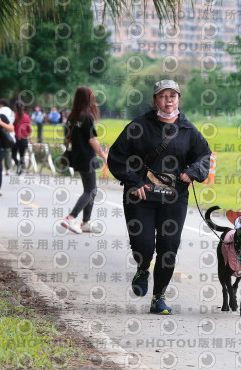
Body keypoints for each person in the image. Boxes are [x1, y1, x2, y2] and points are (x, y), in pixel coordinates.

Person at [108, 79, 211, 315]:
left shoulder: (188, 130)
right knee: (143, 245)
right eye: (163, 96)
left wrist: (193, 172)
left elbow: (204, 156)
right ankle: (143, 267)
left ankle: (158, 298)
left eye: (172, 96)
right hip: (141, 196)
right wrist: (134, 182)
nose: (168, 100)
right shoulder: (139, 126)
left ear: (179, 99)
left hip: (174, 198)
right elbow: (116, 155)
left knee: (169, 247)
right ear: (155, 100)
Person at [60, 86, 107, 234]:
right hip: (87, 157)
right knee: (90, 190)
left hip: (77, 157)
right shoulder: (87, 117)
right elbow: (92, 140)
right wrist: (104, 155)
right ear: (88, 98)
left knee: (91, 190)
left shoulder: (71, 117)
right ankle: (71, 217)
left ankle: (86, 222)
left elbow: (67, 138)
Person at [12, 101, 32, 175]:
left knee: (14, 155)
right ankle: (20, 167)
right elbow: (29, 129)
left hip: (16, 139)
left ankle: (19, 166)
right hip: (23, 139)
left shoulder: (14, 116)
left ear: (16, 108)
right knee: (22, 155)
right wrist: (30, 139)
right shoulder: (26, 117)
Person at [0, 99, 15, 175]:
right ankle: (8, 169)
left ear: (1, 104)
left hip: (1, 133)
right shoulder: (12, 112)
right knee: (8, 151)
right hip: (9, 134)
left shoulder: (0, 111)